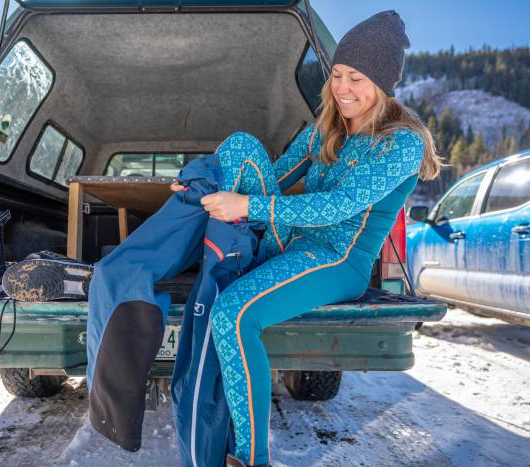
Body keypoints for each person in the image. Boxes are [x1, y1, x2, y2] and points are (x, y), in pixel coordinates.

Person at [168, 10, 442, 467]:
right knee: (237, 145)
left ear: (383, 84)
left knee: (233, 314)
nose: (343, 88)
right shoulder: (326, 129)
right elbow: (268, 177)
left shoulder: (402, 143)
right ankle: (217, 253)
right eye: (336, 75)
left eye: (357, 78)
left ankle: (249, 458)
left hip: (338, 259)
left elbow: (337, 207)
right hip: (291, 241)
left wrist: (248, 207)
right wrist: (203, 184)